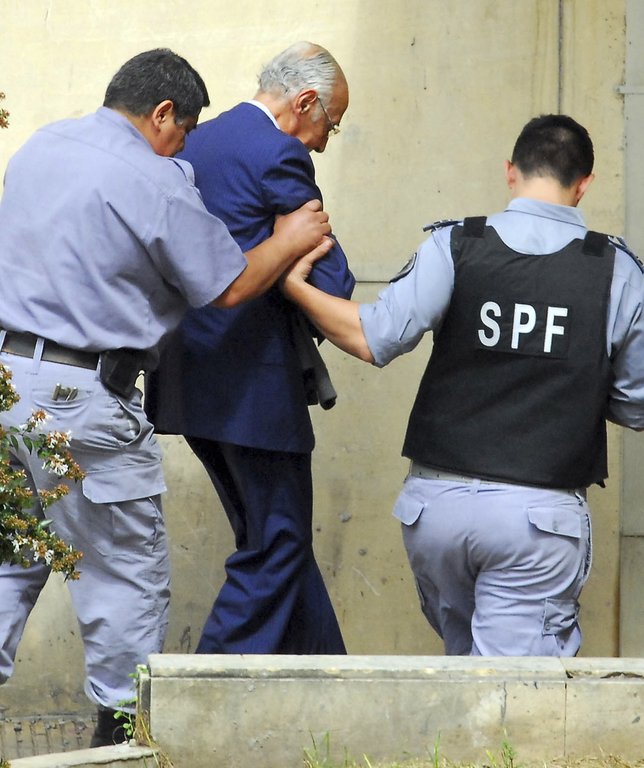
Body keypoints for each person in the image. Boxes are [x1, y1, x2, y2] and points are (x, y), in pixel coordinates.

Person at [0, 48, 333, 747]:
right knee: (123, 581)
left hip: (6, 387)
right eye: (182, 133)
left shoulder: (41, 145)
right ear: (160, 114)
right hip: (80, 400)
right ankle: (119, 748)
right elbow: (229, 285)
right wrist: (290, 237)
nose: (184, 148)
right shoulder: (150, 179)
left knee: (10, 565)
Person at [280, 114, 644, 657]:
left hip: (436, 511)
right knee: (509, 691)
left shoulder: (456, 243)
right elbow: (636, 404)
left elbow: (373, 337)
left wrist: (293, 287)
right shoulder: (616, 269)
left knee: (467, 672)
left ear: (511, 172)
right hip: (537, 522)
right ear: (585, 182)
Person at [145, 42, 354, 655]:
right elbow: (334, 280)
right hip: (251, 385)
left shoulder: (195, 140)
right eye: (330, 124)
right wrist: (294, 256)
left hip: (185, 378)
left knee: (273, 541)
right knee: (277, 544)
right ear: (305, 102)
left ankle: (328, 684)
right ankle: (201, 688)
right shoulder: (278, 152)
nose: (324, 142)